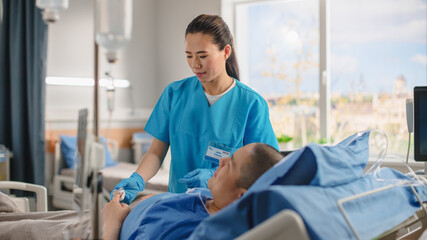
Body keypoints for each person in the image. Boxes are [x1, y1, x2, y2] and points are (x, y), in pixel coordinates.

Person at [112, 13, 279, 203]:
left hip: (225, 208)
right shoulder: (174, 94)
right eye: (189, 56)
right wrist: (138, 179)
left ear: (226, 52)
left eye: (202, 56)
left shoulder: (251, 104)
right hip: (178, 204)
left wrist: (212, 176)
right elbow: (155, 153)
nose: (194, 64)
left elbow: (264, 169)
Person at [102, 143, 283, 240]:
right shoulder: (211, 198)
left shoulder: (200, 232)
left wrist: (112, 223)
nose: (221, 161)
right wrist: (151, 198)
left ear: (240, 197)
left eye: (231, 164)